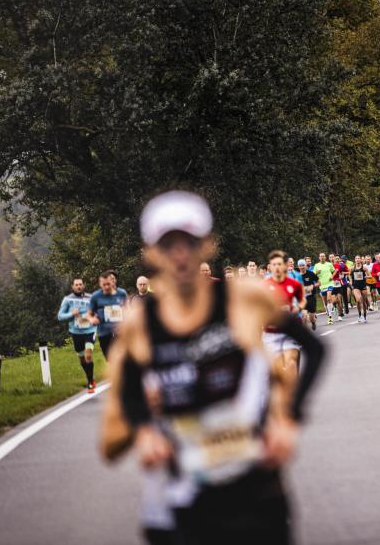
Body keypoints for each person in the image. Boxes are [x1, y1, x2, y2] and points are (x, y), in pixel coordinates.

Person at [99, 190, 326, 545]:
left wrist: (289, 419)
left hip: (258, 486)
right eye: (168, 244)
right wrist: (144, 430)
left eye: (189, 242)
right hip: (188, 498)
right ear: (151, 254)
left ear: (207, 245)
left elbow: (315, 348)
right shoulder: (138, 325)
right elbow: (118, 419)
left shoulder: (245, 299)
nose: (180, 255)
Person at [263, 250, 306, 385]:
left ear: (284, 265)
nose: (276, 267)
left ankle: (293, 393)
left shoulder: (294, 282)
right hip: (271, 332)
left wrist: (299, 308)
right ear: (270, 266)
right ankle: (287, 389)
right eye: (273, 264)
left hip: (290, 329)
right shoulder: (264, 284)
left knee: (291, 362)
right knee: (279, 371)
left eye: (279, 264)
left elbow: (302, 300)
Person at [57, 278, 97, 392]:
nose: (79, 286)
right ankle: (91, 377)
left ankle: (90, 383)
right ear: (72, 286)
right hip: (76, 332)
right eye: (76, 285)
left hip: (90, 330)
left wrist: (95, 317)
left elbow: (98, 311)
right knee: (81, 358)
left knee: (88, 354)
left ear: (83, 285)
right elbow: (60, 316)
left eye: (80, 284)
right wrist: (71, 314)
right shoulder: (67, 300)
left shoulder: (91, 298)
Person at [88, 270, 128, 360]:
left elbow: (128, 311)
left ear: (113, 281)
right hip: (104, 333)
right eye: (104, 284)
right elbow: (89, 314)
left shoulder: (122, 293)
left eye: (108, 284)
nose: (106, 287)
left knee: (123, 359)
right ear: (100, 283)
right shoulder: (96, 296)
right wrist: (92, 319)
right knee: (109, 359)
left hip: (120, 332)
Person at [298, 259, 319, 331]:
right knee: (304, 316)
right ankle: (304, 333)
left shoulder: (310, 273)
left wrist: (312, 286)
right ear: (298, 266)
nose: (302, 267)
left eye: (303, 265)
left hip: (311, 297)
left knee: (311, 318)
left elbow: (319, 283)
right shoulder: (296, 275)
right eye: (300, 266)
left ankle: (313, 323)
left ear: (305, 265)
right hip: (302, 298)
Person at [350, 256, 370, 323]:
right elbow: (349, 275)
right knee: (358, 300)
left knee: (363, 302)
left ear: (361, 260)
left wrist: (367, 276)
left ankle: (364, 316)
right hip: (356, 286)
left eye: (359, 258)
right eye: (356, 258)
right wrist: (351, 281)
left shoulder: (364, 268)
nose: (357, 260)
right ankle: (359, 315)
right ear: (355, 260)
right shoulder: (352, 268)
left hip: (363, 286)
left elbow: (370, 275)